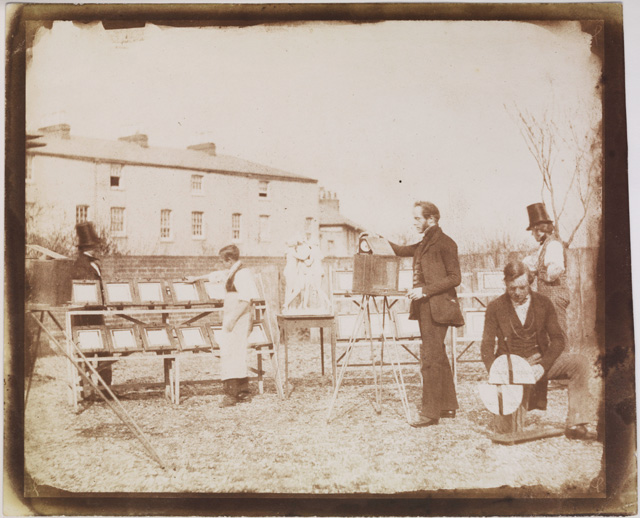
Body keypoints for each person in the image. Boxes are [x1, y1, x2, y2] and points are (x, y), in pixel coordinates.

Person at [481, 260, 594, 440]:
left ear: (530, 283)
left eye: (522, 287)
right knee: (509, 432)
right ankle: (510, 416)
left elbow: (558, 340)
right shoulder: (495, 308)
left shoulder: (544, 303)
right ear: (505, 284)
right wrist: (497, 375)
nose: (517, 293)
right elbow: (486, 347)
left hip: (539, 363)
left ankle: (576, 423)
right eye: (512, 288)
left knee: (579, 363)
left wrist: (542, 366)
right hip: (512, 369)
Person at [386, 201, 464, 427]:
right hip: (426, 310)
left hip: (439, 309)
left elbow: (454, 278)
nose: (414, 222)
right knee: (437, 355)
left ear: (432, 219)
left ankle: (430, 413)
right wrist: (376, 239)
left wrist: (424, 290)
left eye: (417, 218)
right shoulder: (423, 244)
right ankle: (448, 406)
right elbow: (401, 250)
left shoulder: (446, 243)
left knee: (429, 358)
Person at [188, 245, 259, 407]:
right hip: (232, 317)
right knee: (233, 352)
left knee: (231, 354)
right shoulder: (234, 270)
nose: (221, 264)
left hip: (237, 318)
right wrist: (197, 278)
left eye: (222, 261)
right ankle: (243, 390)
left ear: (229, 260)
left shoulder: (242, 273)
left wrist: (233, 319)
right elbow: (219, 275)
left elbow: (246, 300)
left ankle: (232, 394)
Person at [71, 222, 113, 395]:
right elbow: (86, 290)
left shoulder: (94, 263)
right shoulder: (80, 265)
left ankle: (105, 389)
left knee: (104, 350)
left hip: (96, 313)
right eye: (94, 244)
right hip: (85, 315)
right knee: (87, 351)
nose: (97, 247)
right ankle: (85, 390)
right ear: (89, 246)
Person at [522, 203, 570, 338]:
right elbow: (532, 262)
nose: (532, 234)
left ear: (539, 230)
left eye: (533, 230)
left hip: (554, 295)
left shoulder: (553, 244)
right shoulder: (544, 246)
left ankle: (563, 359)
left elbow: (557, 268)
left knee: (557, 334)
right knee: (550, 335)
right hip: (548, 297)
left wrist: (544, 275)